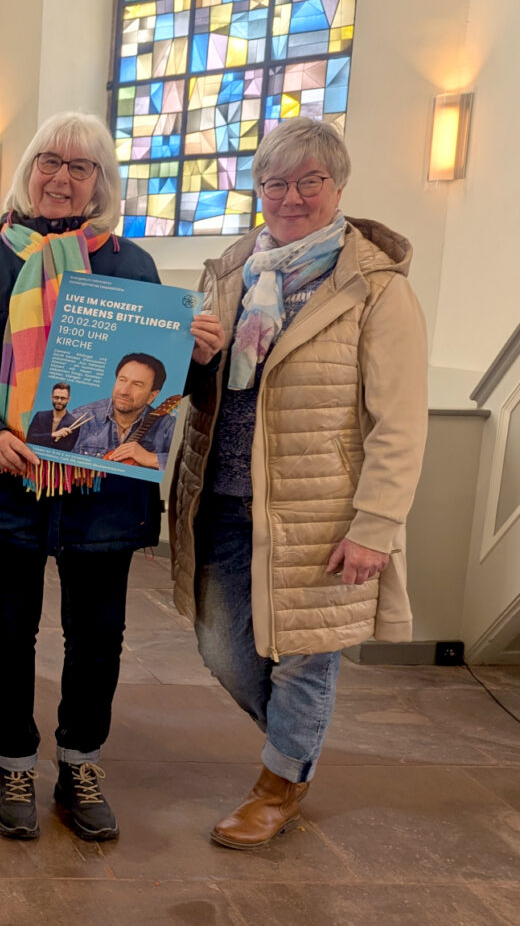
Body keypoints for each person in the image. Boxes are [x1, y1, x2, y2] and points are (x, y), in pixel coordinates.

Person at [0, 112, 215, 842]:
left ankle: (80, 762)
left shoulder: (132, 268)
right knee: (8, 632)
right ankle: (16, 763)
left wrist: (199, 353)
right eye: (50, 160)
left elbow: (162, 386)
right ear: (28, 170)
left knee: (97, 635)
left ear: (100, 183)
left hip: (101, 493)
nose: (62, 176)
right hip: (7, 483)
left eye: (81, 167)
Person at [169, 117, 427, 849]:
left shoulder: (372, 286)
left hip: (318, 508)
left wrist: (375, 524)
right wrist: (192, 355)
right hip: (218, 494)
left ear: (337, 187)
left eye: (309, 181)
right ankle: (297, 744)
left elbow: (400, 419)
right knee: (222, 643)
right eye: (275, 182)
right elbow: (193, 387)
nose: (291, 196)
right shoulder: (229, 271)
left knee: (308, 652)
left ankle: (278, 781)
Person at [67, 352, 177, 469]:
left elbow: (188, 466)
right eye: (122, 380)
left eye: (137, 384)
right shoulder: (81, 417)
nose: (124, 391)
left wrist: (152, 459)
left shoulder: (167, 426)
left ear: (152, 396)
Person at [24, 382, 79, 450]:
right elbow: (30, 438)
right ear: (51, 397)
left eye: (63, 398)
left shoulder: (73, 423)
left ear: (68, 399)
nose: (59, 401)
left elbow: (67, 449)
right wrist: (53, 434)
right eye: (56, 397)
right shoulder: (40, 416)